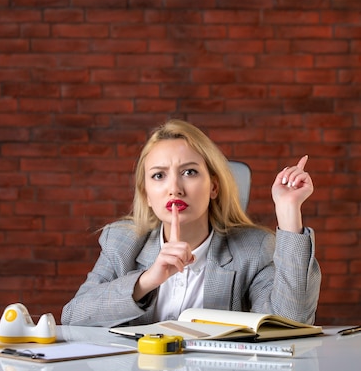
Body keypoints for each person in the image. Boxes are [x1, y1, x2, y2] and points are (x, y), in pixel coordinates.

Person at [61, 119, 321, 327]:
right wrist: (147, 280)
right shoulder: (121, 241)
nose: (174, 188)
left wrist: (289, 211)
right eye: (159, 175)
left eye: (189, 172)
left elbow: (291, 323)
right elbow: (73, 316)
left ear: (213, 187)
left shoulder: (253, 249)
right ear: (146, 196)